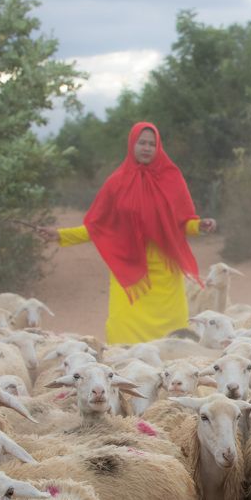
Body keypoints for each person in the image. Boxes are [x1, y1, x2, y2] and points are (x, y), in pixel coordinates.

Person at [37, 121, 217, 344]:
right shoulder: (116, 182)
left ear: (158, 147)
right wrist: (61, 235)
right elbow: (99, 227)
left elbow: (182, 223)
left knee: (174, 340)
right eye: (142, 142)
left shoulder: (172, 178)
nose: (146, 148)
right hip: (131, 273)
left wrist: (199, 226)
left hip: (166, 274)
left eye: (152, 144)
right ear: (132, 144)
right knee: (122, 334)